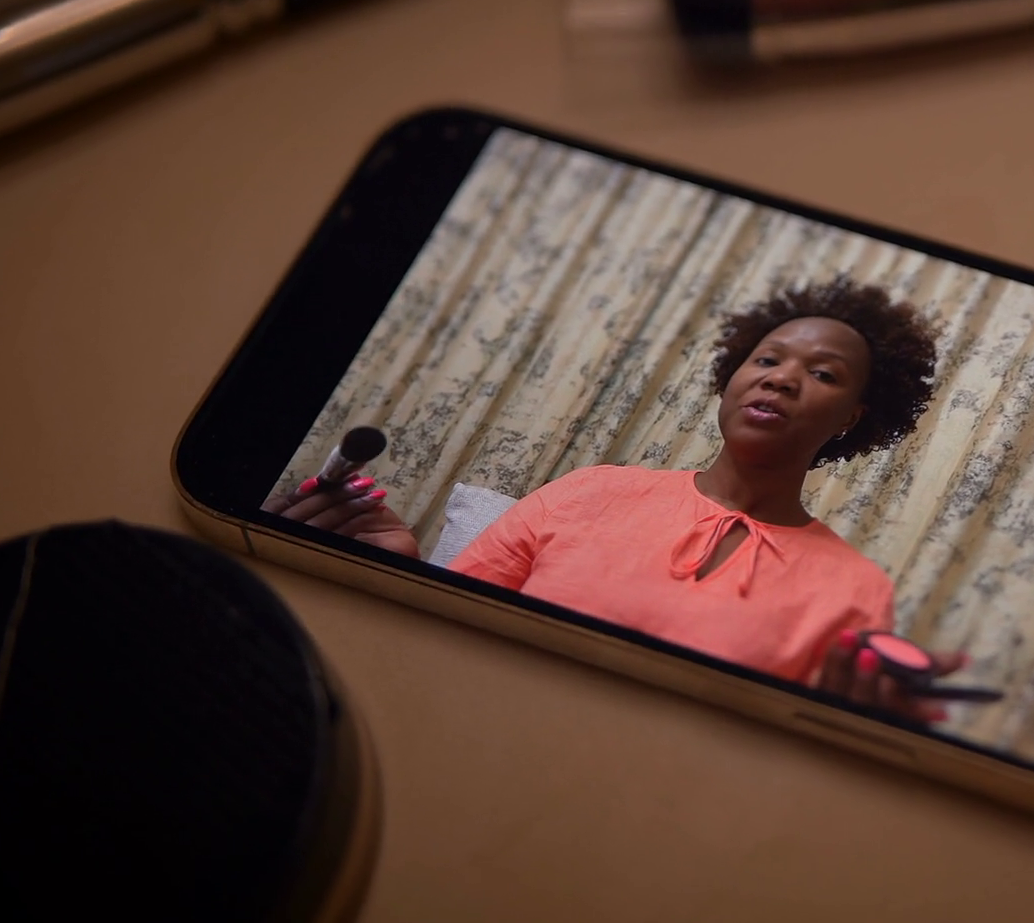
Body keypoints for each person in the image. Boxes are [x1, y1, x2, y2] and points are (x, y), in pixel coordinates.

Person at [265, 278, 964, 716]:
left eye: (823, 373)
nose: (780, 379)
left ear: (851, 418)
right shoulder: (591, 491)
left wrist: (849, 728)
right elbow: (438, 643)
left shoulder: (855, 591)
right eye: (767, 359)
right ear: (732, 377)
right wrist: (393, 572)